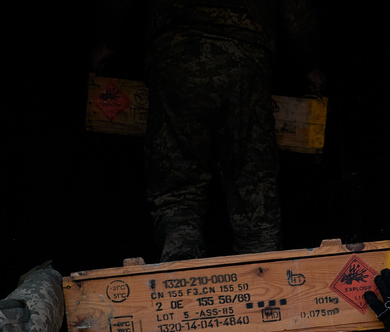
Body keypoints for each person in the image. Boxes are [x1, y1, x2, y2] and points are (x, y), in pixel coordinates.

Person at [95, 0, 323, 261]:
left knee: (178, 185)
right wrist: (308, 65)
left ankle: (180, 275)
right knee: (252, 183)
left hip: (176, 54)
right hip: (244, 58)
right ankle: (263, 274)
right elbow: (298, 10)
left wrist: (109, 43)